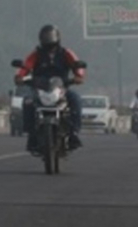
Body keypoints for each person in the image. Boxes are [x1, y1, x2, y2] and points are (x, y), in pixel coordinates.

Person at [15, 24, 85, 154]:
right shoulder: (36, 54)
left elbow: (77, 64)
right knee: (28, 102)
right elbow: (26, 66)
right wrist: (20, 76)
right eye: (46, 37)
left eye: (50, 36)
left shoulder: (66, 53)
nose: (48, 39)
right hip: (40, 88)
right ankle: (31, 135)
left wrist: (79, 76)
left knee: (76, 99)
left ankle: (74, 133)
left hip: (61, 88)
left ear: (57, 37)